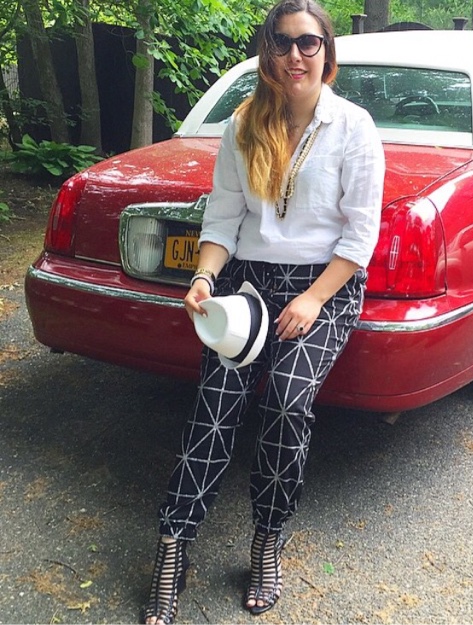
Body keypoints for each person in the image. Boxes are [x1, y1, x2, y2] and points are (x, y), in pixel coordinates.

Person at [143, 0, 385, 622]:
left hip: (324, 287)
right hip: (247, 285)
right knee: (214, 403)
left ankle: (267, 540)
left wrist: (313, 298)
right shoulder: (243, 125)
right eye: (282, 42)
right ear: (267, 52)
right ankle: (173, 545)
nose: (295, 55)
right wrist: (204, 277)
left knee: (285, 400)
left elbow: (359, 236)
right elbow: (225, 216)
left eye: (308, 43)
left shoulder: (353, 127)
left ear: (327, 52)